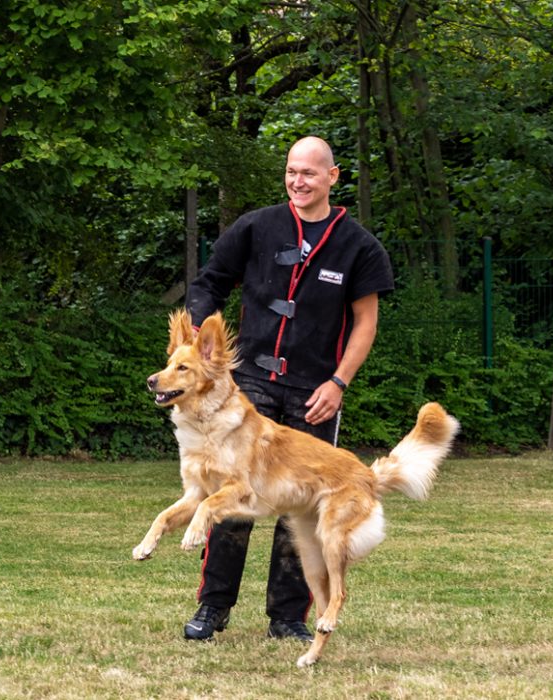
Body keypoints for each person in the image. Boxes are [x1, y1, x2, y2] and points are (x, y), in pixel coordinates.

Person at [182, 136, 394, 643]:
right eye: (292, 171)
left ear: (332, 177)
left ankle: (287, 617)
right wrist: (195, 332)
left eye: (310, 173)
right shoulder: (257, 226)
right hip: (248, 386)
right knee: (230, 500)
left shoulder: (359, 245)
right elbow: (209, 281)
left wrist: (339, 382)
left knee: (300, 509)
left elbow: (366, 322)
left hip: (315, 390)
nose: (299, 181)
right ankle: (212, 608)